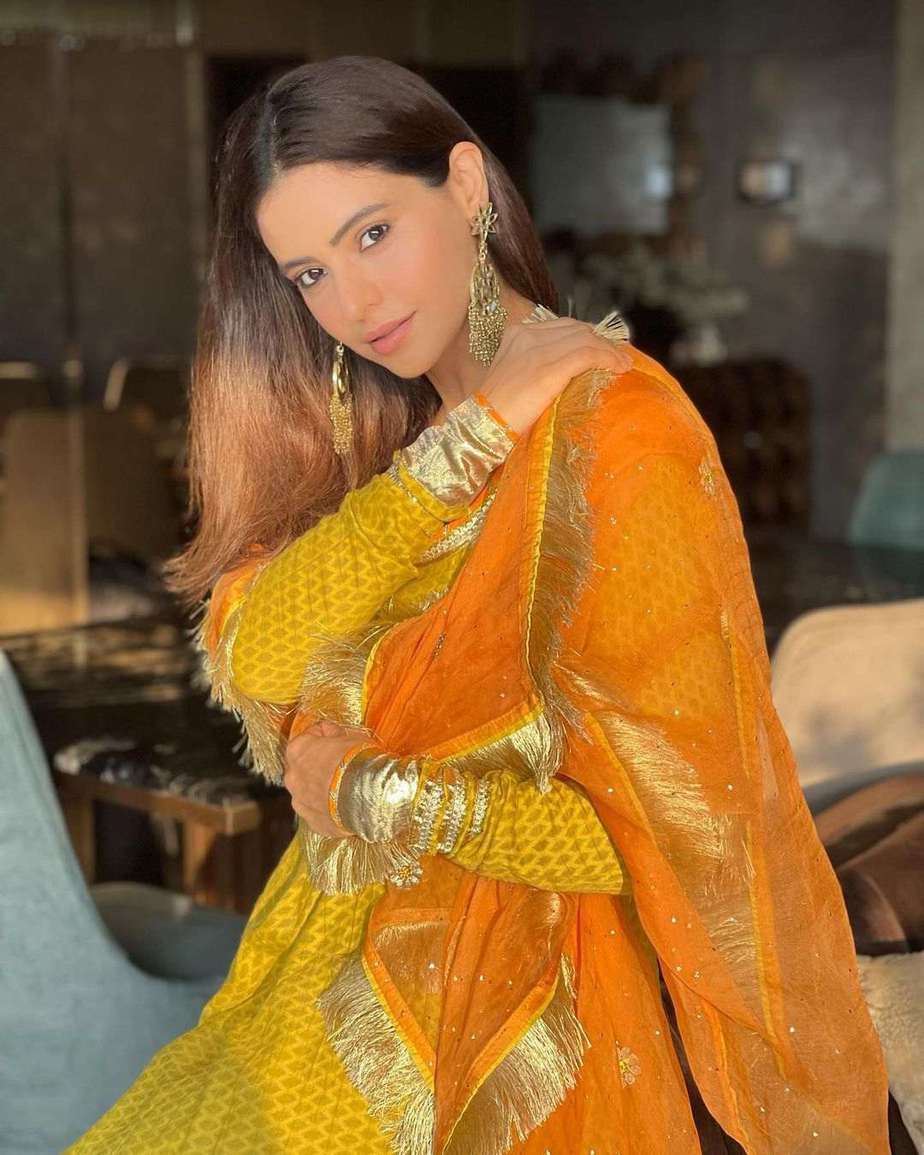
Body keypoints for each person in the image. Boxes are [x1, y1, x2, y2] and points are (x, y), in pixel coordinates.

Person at [66, 55, 890, 1155]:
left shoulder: (619, 434)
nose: (354, 305)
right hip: (314, 961)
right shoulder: (378, 429)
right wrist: (462, 445)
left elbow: (675, 835)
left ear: (464, 185)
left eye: (372, 234)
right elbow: (257, 657)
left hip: (500, 1014)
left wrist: (380, 792)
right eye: (309, 274)